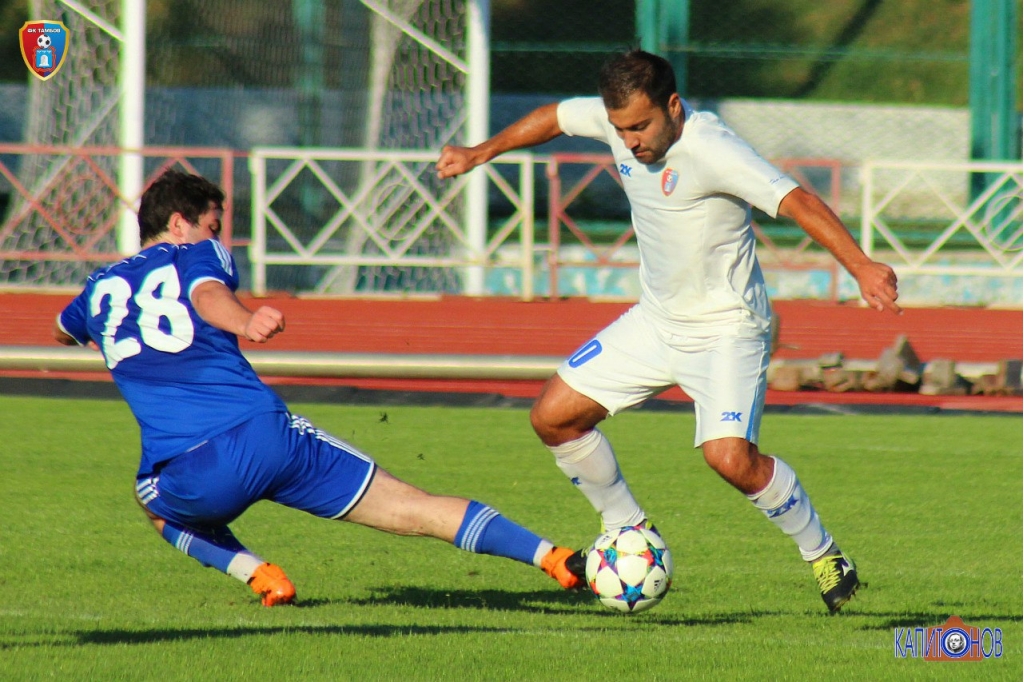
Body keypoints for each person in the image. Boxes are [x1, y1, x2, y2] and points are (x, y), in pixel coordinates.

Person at [436, 50, 901, 613]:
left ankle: (823, 552)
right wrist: (482, 152)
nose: (629, 141)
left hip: (729, 329)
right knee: (553, 418)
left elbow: (797, 200)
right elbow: (557, 116)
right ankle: (627, 527)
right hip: (656, 322)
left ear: (673, 107)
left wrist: (860, 265)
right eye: (619, 128)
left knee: (730, 459)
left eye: (640, 126)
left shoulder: (712, 148)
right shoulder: (619, 121)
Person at [53, 169, 581, 606]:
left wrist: (88, 332)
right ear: (179, 224)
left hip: (191, 472)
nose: (220, 236)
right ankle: (554, 558)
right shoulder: (198, 253)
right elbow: (207, 293)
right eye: (214, 225)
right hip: (267, 439)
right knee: (411, 508)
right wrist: (243, 321)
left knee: (152, 501)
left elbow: (60, 328)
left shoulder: (99, 286)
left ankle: (259, 574)